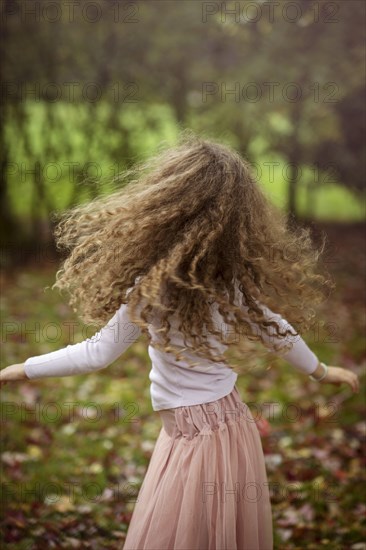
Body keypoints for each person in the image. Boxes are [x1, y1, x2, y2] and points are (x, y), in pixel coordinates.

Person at [0, 132, 359, 550]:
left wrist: (22, 368)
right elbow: (278, 330)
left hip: (205, 442)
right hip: (218, 430)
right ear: (235, 220)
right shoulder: (218, 286)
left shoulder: (169, 290)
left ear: (164, 209)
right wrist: (319, 371)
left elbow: (96, 353)